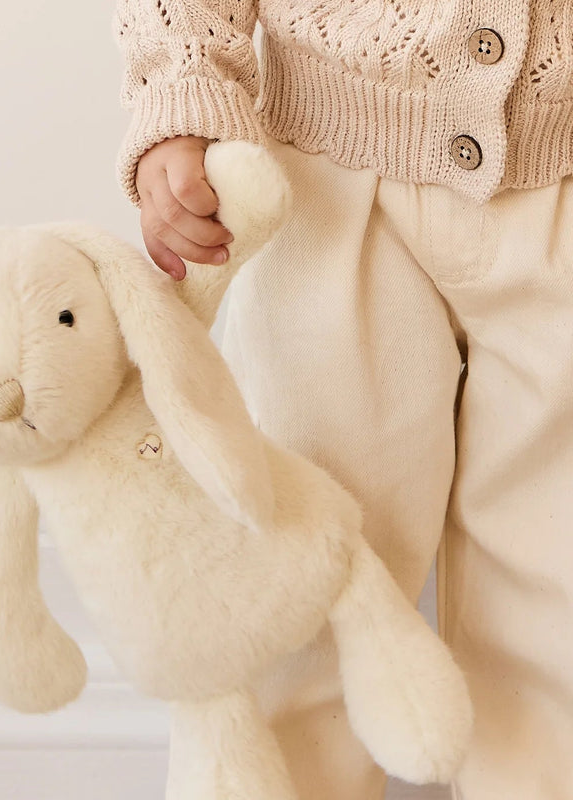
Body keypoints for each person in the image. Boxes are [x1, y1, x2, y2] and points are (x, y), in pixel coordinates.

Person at [112, 3, 573, 799]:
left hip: (558, 167)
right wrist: (182, 84)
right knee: (304, 562)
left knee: (556, 582)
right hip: (325, 175)